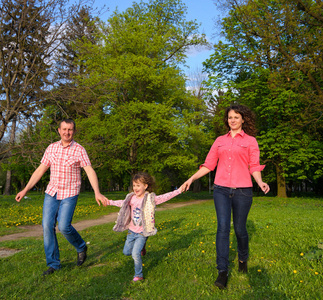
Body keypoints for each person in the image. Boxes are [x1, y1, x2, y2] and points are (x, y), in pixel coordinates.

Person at [180, 104, 270, 289]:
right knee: (222, 228)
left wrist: (260, 182)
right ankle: (222, 271)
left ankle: (242, 259)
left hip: (243, 191)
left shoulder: (251, 141)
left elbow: (254, 165)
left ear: (243, 119)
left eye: (236, 117)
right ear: (227, 120)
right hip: (221, 190)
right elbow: (208, 165)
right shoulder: (219, 140)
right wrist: (190, 179)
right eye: (230, 117)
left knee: (239, 229)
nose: (233, 120)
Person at [15, 119, 108, 276]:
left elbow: (90, 171)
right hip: (52, 192)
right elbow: (39, 170)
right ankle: (53, 264)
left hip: (70, 193)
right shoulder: (51, 148)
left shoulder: (79, 149)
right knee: (47, 226)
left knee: (64, 226)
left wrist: (97, 192)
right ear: (59, 130)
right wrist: (25, 190)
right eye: (64, 129)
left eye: (70, 129)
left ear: (74, 131)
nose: (67, 132)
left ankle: (81, 246)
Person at [105, 172, 183, 282]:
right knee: (126, 252)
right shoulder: (131, 198)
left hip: (143, 232)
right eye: (134, 185)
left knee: (135, 254)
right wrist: (109, 202)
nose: (135, 188)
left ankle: (139, 275)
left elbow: (165, 197)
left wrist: (178, 191)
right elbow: (122, 203)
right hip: (131, 231)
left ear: (145, 186)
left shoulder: (150, 198)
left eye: (138, 185)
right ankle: (142, 247)